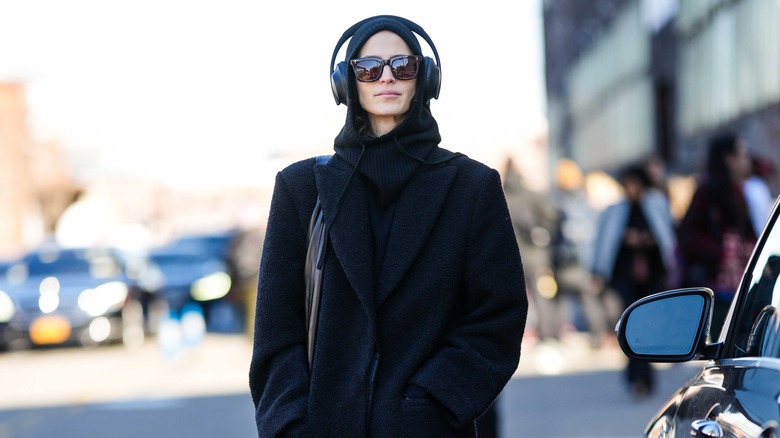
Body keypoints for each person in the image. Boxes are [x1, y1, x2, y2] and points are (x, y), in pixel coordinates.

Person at [249, 15, 528, 437]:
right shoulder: (301, 188)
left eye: (403, 65)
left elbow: (498, 316)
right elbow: (276, 327)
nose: (386, 77)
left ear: (425, 77)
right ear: (346, 83)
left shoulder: (472, 186)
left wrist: (434, 402)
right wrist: (290, 423)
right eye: (368, 68)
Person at [590, 164, 676, 398]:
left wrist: (648, 240)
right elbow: (603, 242)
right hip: (625, 277)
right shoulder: (615, 210)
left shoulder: (656, 205)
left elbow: (667, 237)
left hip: (652, 277)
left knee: (647, 327)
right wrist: (598, 270)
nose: (631, 189)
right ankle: (635, 375)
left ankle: (644, 376)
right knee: (630, 326)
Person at [677, 132, 758, 338]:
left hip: (741, 284)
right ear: (728, 159)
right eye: (742, 155)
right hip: (718, 286)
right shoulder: (708, 191)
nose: (747, 160)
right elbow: (687, 234)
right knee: (724, 342)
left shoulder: (738, 191)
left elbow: (748, 234)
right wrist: (719, 253)